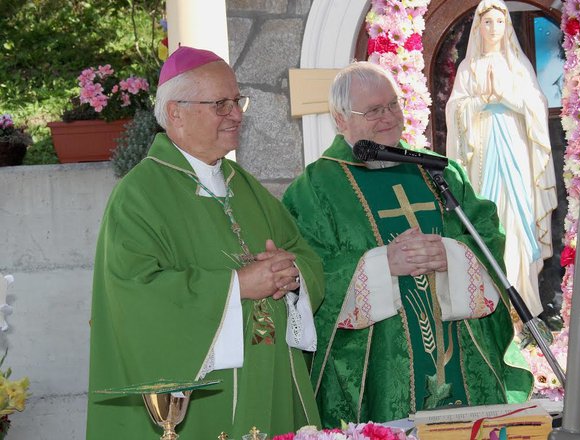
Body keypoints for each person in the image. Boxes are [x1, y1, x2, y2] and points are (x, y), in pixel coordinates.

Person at [86, 46, 323, 439]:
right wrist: (238, 286)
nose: (236, 114)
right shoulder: (139, 195)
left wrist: (292, 272)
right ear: (175, 113)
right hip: (203, 400)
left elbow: (301, 252)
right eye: (220, 104)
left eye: (236, 100)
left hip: (270, 374)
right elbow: (135, 291)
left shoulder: (243, 185)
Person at [282, 61, 533, 427]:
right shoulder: (314, 189)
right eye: (372, 110)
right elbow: (309, 271)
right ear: (340, 119)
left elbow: (485, 234)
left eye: (392, 105)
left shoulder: (438, 172)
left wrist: (451, 255)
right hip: (379, 369)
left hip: (461, 353)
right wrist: (381, 266)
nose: (388, 117)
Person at [445, 0, 557, 317]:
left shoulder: (517, 66)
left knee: (519, 219)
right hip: (482, 155)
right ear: (478, 28)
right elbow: (454, 110)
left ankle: (526, 299)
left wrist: (508, 98)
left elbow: (536, 105)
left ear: (506, 26)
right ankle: (495, 306)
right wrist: (478, 102)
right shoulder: (469, 69)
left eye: (499, 22)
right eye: (488, 22)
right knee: (489, 217)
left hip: (516, 153)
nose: (494, 29)